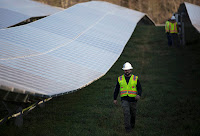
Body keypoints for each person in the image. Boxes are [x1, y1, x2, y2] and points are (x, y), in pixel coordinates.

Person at [113, 62, 142, 133]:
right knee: (126, 113)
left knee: (133, 114)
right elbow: (116, 89)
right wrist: (115, 98)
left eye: (128, 70)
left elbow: (139, 88)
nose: (127, 71)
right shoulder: (120, 78)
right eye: (125, 70)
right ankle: (128, 129)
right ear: (123, 70)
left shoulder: (135, 78)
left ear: (131, 70)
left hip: (133, 100)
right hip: (124, 99)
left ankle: (132, 125)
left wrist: (139, 95)